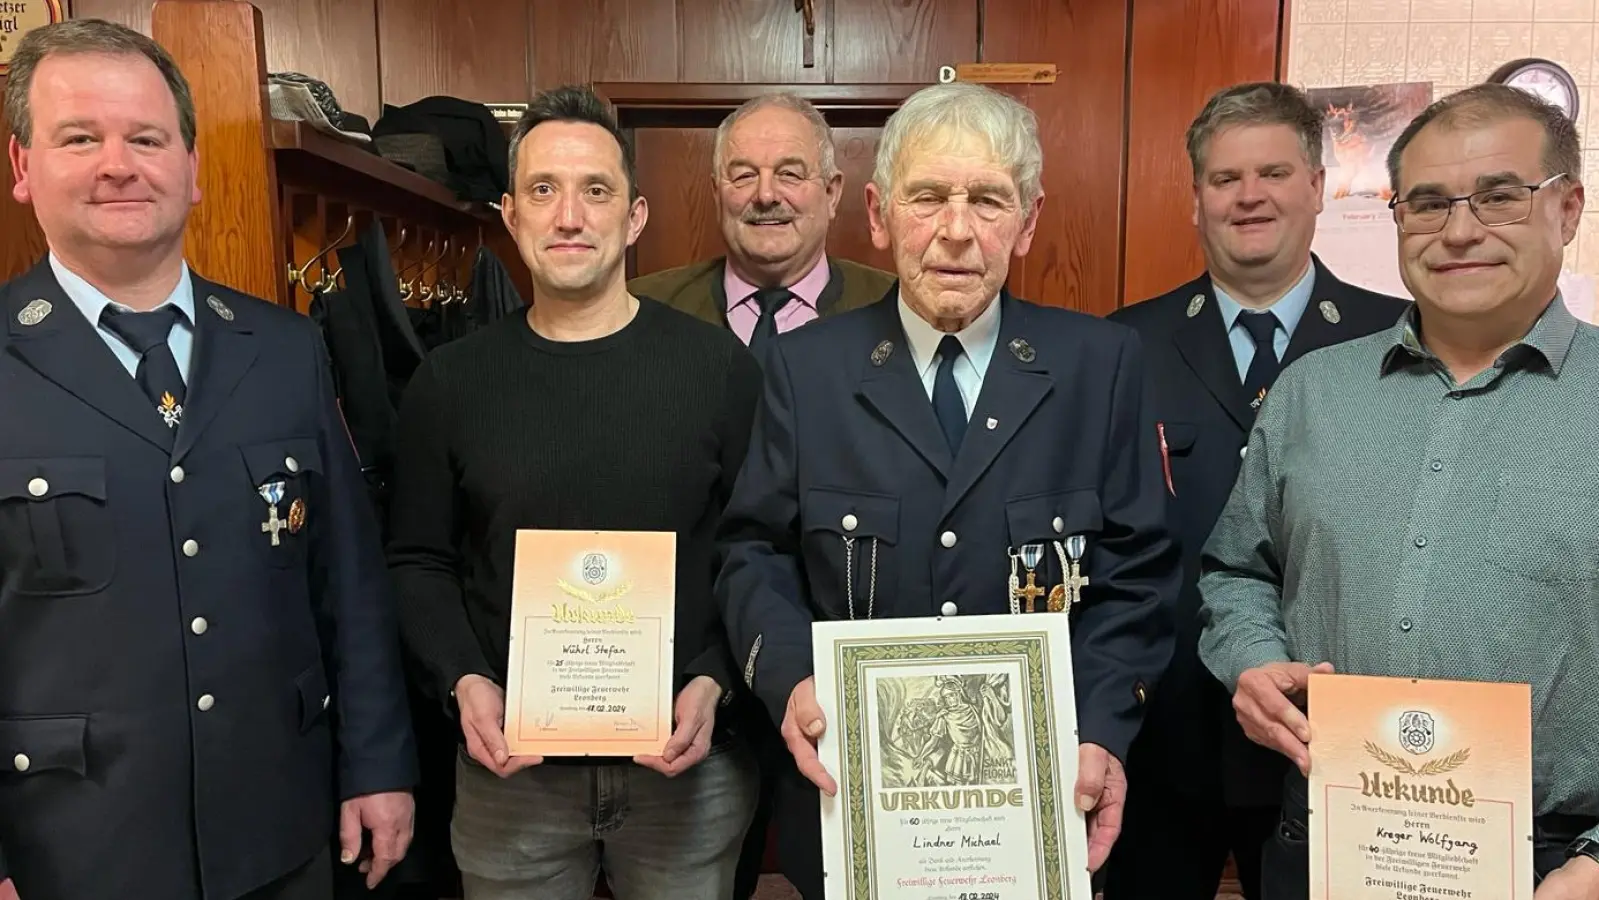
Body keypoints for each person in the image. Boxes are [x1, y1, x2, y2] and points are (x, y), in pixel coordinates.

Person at [713, 81, 1180, 900]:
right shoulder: (808, 369)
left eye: (988, 200)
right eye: (927, 198)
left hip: (1035, 808)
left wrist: (1102, 731)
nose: (956, 232)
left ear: (1028, 222)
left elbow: (1136, 577)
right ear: (879, 213)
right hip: (852, 803)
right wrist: (791, 681)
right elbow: (753, 552)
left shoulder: (1098, 367)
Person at [0, 19, 417, 900]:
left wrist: (378, 763)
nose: (119, 163)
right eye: (81, 138)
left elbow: (348, 581)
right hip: (67, 850)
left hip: (278, 830)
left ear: (192, 171)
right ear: (23, 166)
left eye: (147, 138)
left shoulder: (284, 347)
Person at [1197, 82, 1599, 900]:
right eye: (1426, 203)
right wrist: (1252, 661)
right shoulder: (1312, 391)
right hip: (1320, 842)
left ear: (1567, 209)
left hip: (1554, 869)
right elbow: (1236, 571)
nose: (1458, 231)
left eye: (1498, 198)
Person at [385, 85, 762, 900]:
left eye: (595, 191)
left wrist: (714, 676)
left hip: (686, 771)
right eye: (543, 191)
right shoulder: (448, 382)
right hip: (509, 779)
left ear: (634, 218)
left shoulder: (721, 371)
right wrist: (461, 678)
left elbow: (755, 547)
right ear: (510, 216)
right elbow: (417, 559)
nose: (568, 217)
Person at [1103, 82, 1408, 900]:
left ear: (1316, 185)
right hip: (1161, 734)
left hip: (1333, 739)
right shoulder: (1120, 346)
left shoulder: (1395, 339)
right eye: (1223, 178)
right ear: (1196, 198)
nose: (1248, 197)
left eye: (1272, 172)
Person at [627, 92, 895, 352]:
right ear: (717, 194)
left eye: (789, 174)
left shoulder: (895, 308)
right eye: (744, 176)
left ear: (831, 194)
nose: (766, 195)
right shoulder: (641, 307)